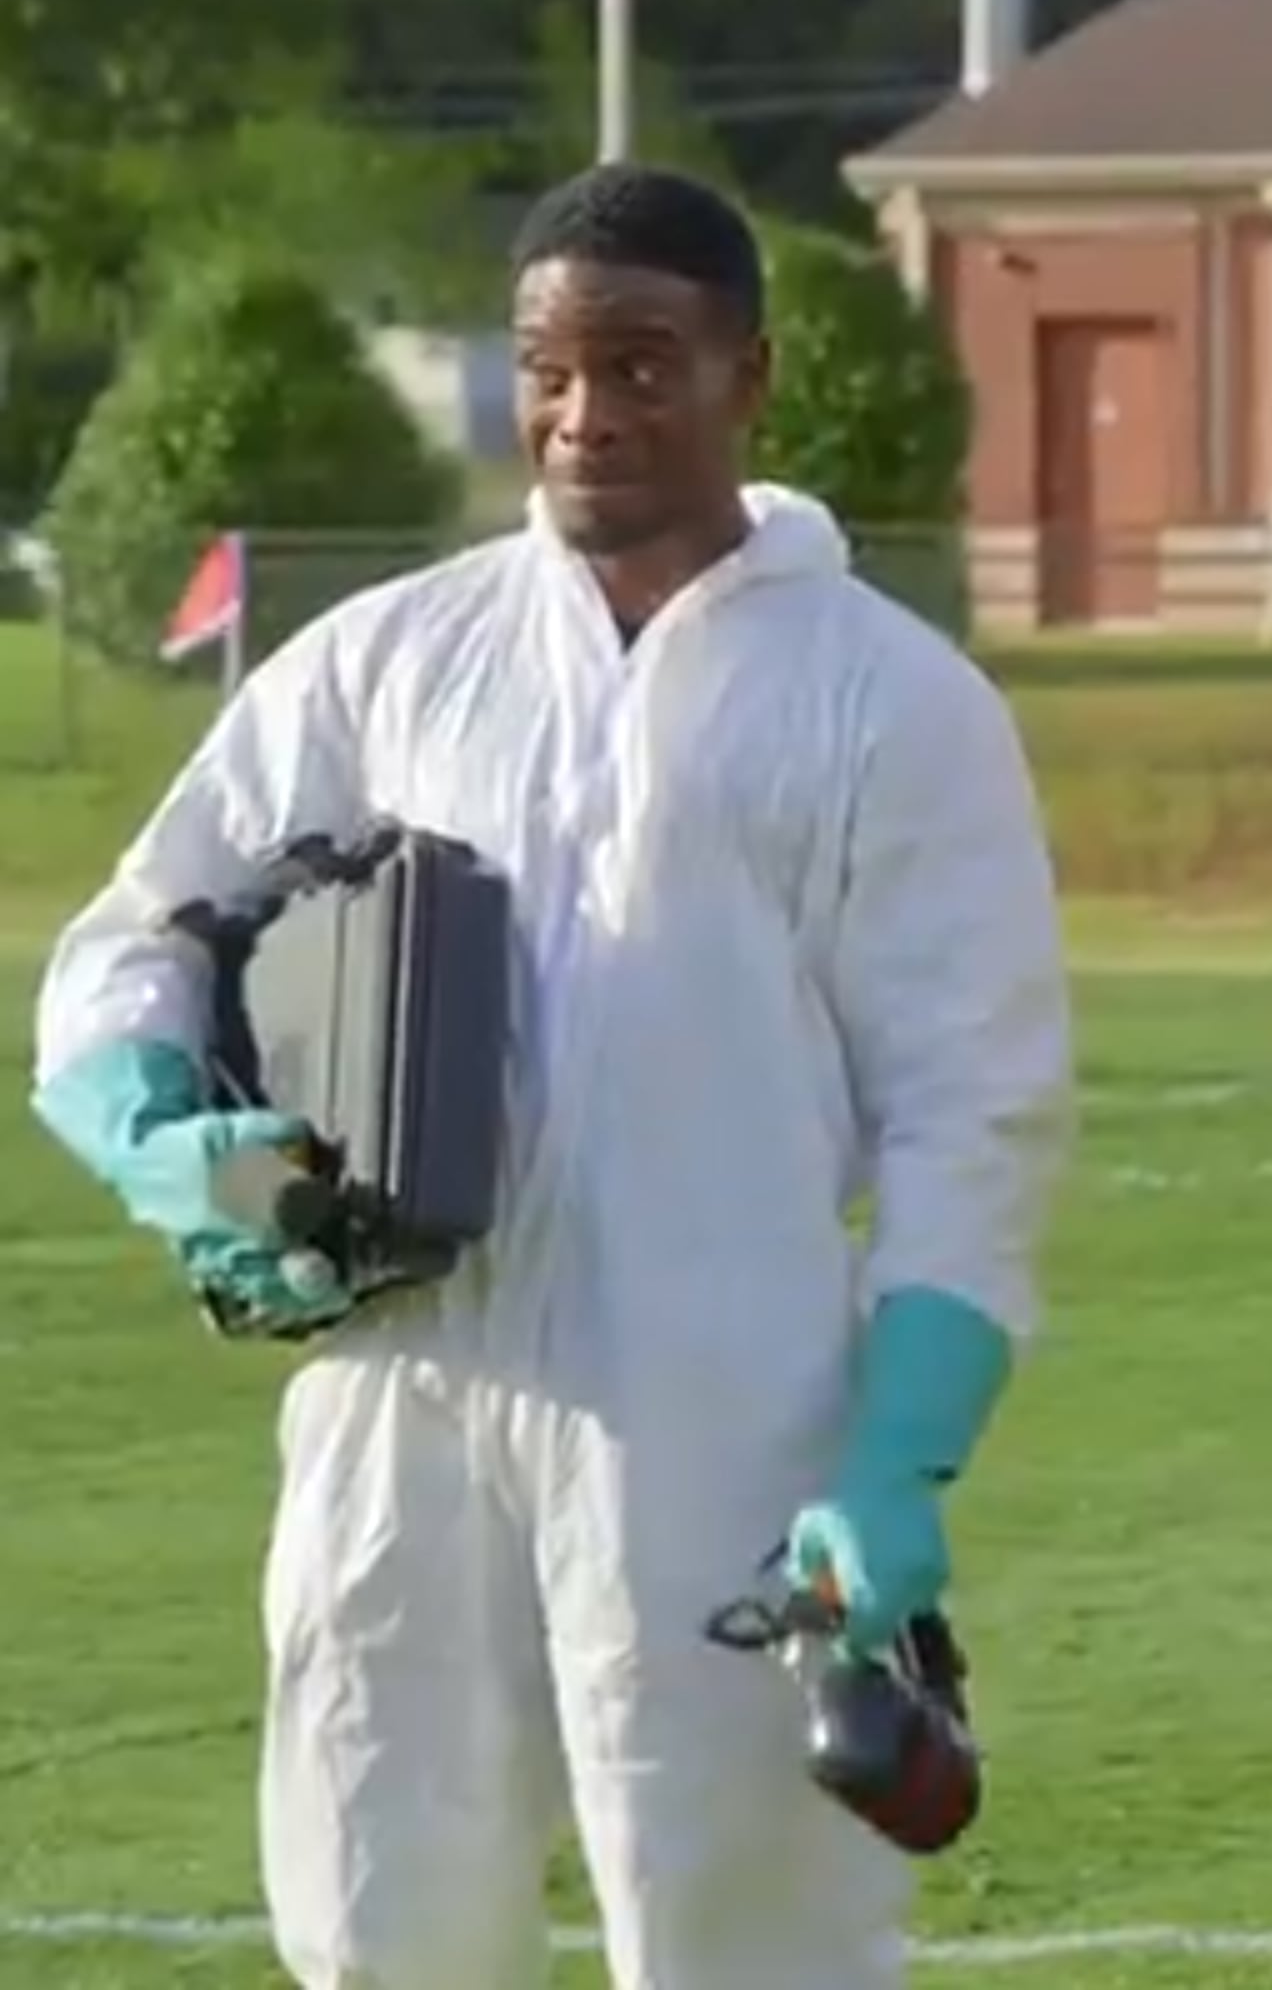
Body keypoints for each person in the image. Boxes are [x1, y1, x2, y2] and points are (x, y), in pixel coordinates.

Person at [27, 163, 1075, 1988]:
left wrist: (900, 1453)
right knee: (377, 1925)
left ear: (752, 376)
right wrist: (170, 1144)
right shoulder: (389, 658)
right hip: (398, 1403)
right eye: (549, 367)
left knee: (746, 1940)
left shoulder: (887, 700)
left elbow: (969, 1108)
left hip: (727, 1418)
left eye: (644, 365)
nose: (588, 412)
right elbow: (140, 936)